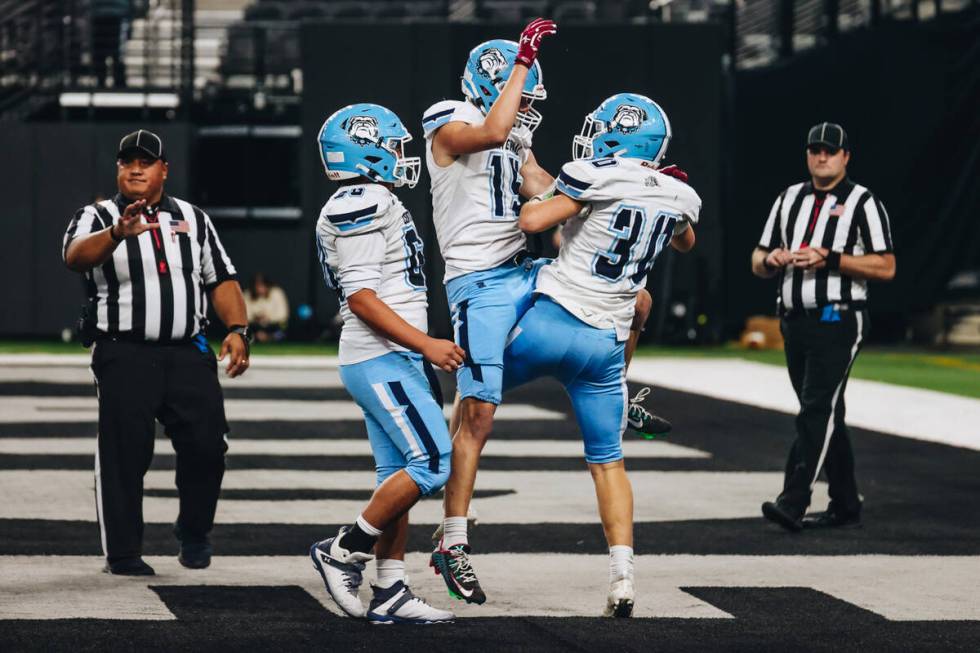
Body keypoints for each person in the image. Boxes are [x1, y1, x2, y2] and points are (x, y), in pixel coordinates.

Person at [505, 93, 699, 617]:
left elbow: (534, 221)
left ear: (618, 137)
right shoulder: (682, 195)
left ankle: (454, 527)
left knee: (471, 410)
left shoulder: (595, 175)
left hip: (550, 321)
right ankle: (623, 577)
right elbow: (685, 241)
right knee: (608, 463)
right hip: (605, 348)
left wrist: (520, 198)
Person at [62, 129, 251, 575]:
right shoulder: (97, 215)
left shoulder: (193, 217)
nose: (136, 168)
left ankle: (193, 529)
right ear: (118, 169)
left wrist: (239, 329)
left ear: (164, 169)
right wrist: (117, 233)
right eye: (128, 161)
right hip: (123, 352)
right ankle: (124, 553)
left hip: (187, 352)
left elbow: (219, 277)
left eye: (146, 161)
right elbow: (74, 257)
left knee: (208, 445)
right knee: (124, 454)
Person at [422, 18, 558, 605]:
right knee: (477, 418)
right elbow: (493, 128)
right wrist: (523, 60)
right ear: (493, 82)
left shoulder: (516, 137)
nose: (527, 105)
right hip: (477, 284)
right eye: (521, 91)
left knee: (634, 301)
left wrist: (618, 190)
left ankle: (618, 388)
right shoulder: (448, 118)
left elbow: (548, 192)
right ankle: (452, 543)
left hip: (523, 271)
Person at [309, 103, 461, 624]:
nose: (402, 157)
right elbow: (362, 298)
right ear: (366, 151)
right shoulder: (362, 199)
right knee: (433, 464)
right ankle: (342, 550)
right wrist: (426, 344)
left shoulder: (374, 198)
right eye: (393, 146)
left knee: (397, 475)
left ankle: (391, 589)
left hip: (386, 357)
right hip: (382, 356)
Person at [751, 121, 896, 532]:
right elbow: (757, 257)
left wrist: (831, 258)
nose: (821, 156)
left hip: (839, 318)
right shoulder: (789, 198)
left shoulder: (863, 202)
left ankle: (793, 500)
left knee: (816, 410)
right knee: (825, 411)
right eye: (815, 149)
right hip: (794, 319)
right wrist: (772, 260)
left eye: (830, 150)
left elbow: (886, 266)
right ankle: (846, 501)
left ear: (846, 156)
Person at [244, 272, 289, 342]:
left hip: (273, 326)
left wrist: (268, 318)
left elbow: (283, 315)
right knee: (245, 329)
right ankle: (256, 337)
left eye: (263, 285)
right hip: (255, 326)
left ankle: (270, 337)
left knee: (283, 327)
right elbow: (244, 315)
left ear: (268, 285)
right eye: (257, 286)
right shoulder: (247, 294)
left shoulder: (277, 293)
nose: (260, 289)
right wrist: (256, 318)